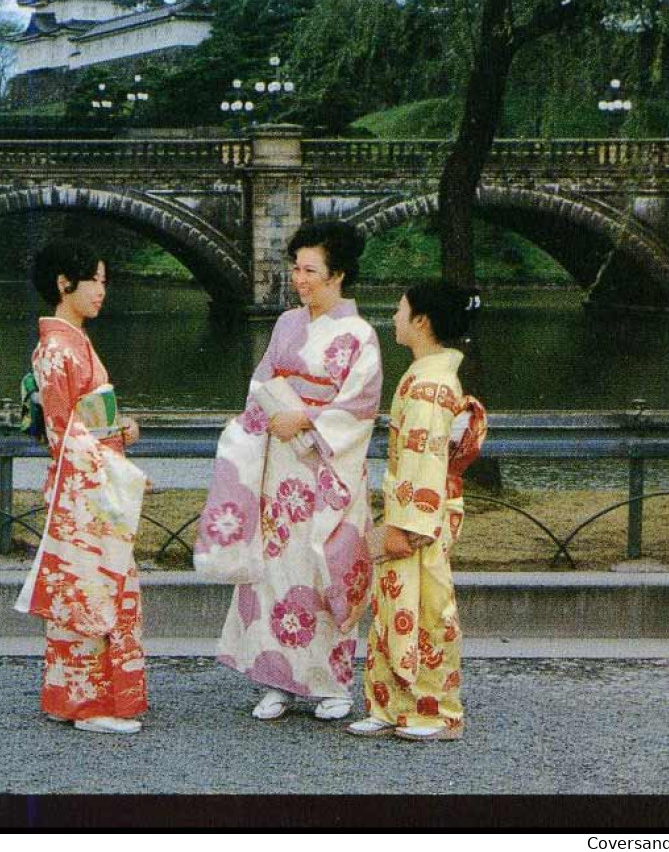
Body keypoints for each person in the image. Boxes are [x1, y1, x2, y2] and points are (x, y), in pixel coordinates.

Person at [194, 220, 382, 722]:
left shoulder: (360, 336)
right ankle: (275, 677)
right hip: (280, 468)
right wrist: (268, 419)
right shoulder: (286, 325)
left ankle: (332, 683)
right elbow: (261, 384)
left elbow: (360, 409)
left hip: (325, 472)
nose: (300, 279)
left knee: (324, 572)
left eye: (311, 270)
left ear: (338, 274)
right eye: (296, 268)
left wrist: (308, 417)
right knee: (276, 571)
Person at [14, 239, 149, 734]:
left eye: (104, 281)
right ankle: (91, 706)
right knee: (93, 595)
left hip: (89, 480)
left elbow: (84, 423)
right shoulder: (57, 348)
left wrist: (119, 431)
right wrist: (118, 446)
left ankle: (72, 698)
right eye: (93, 280)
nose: (101, 291)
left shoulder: (71, 341)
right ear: (63, 284)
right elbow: (64, 434)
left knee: (90, 594)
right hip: (85, 487)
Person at [348, 280, 486, 742]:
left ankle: (435, 711)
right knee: (394, 606)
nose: (394, 317)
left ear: (422, 321)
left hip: (419, 513)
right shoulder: (427, 375)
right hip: (410, 503)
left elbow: (424, 461)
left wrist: (407, 526)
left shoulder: (431, 384)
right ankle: (391, 705)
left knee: (426, 609)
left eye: (400, 309)